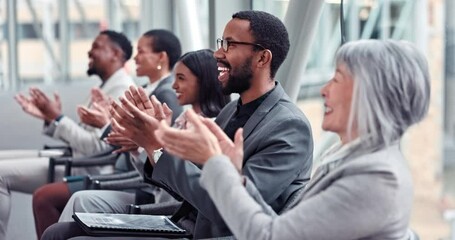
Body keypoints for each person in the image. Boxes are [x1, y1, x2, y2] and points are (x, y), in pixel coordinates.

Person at [41, 10, 314, 240]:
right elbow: (186, 181)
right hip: (181, 224)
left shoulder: (288, 126)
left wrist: (157, 144)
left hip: (208, 233)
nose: (218, 53)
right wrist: (158, 143)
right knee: (60, 231)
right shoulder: (232, 110)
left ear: (262, 58)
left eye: (230, 44)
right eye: (222, 42)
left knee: (67, 235)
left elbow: (230, 207)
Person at [155, 39, 431, 239]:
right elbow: (282, 225)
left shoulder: (377, 176)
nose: (324, 90)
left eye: (337, 79)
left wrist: (214, 163)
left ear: (369, 93)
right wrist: (232, 174)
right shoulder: (359, 160)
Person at [32, 29, 184, 239]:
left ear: (161, 57)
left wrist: (107, 126)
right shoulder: (145, 89)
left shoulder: (163, 94)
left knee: (49, 201)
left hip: (131, 178)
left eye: (141, 51)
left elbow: (151, 152)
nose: (135, 57)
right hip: (131, 173)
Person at [0, 30, 135, 240]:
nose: (90, 51)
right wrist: (51, 118)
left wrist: (58, 118)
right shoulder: (108, 86)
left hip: (89, 166)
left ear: (116, 54)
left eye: (97, 46)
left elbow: (97, 147)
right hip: (76, 157)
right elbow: (88, 139)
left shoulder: (122, 89)